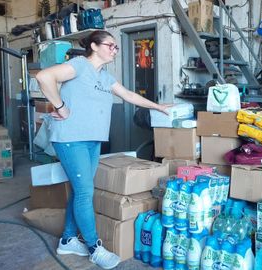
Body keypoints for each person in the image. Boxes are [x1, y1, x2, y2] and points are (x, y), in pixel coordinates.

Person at [36, 30, 171, 269]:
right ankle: (94, 247)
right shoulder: (78, 65)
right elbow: (45, 77)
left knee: (82, 191)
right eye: (111, 45)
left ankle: (67, 239)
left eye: (116, 47)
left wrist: (157, 107)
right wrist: (61, 106)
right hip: (71, 138)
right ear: (95, 47)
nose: (115, 50)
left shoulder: (105, 77)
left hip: (92, 140)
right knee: (86, 191)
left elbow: (129, 95)